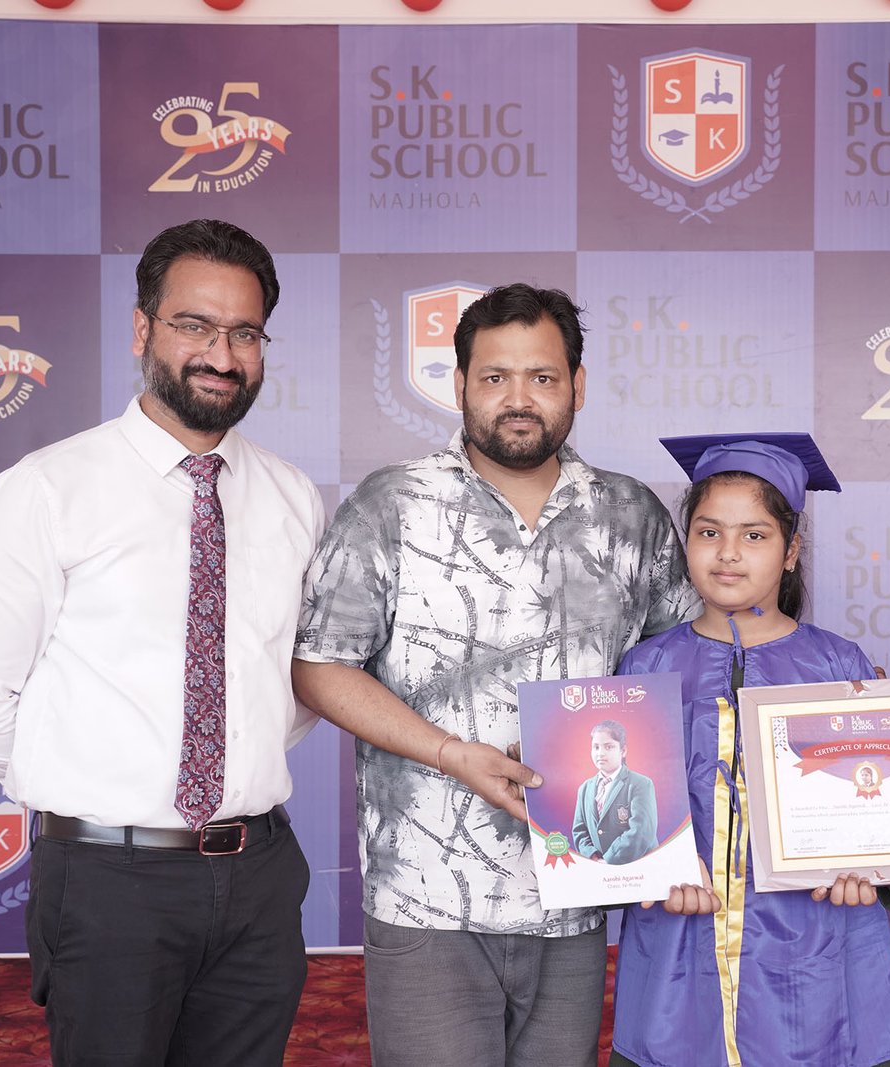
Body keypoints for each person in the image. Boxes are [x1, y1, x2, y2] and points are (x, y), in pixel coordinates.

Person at [0, 219, 324, 1065]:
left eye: (245, 333)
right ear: (143, 329)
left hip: (259, 877)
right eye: (194, 325)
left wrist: (229, 763)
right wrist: (93, 783)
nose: (221, 354)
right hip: (110, 883)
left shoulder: (292, 496)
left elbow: (288, 691)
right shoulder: (48, 489)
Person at [290, 283, 699, 1066]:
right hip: (427, 894)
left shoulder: (631, 515)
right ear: (460, 385)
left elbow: (681, 665)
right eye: (495, 377)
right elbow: (318, 667)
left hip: (580, 894)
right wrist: (450, 752)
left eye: (542, 377)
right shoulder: (392, 504)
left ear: (578, 384)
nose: (518, 398)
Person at [609, 432, 890, 1067]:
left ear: (791, 551)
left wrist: (869, 870)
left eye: (754, 535)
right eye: (708, 532)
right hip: (679, 940)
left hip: (817, 942)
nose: (728, 553)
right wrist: (651, 867)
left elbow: (876, 808)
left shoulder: (836, 665)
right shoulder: (646, 666)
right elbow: (621, 808)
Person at [572, 719, 658, 864]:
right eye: (596, 747)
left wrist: (608, 860)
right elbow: (579, 831)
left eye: (609, 747)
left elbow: (641, 832)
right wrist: (592, 856)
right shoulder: (584, 788)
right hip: (598, 867)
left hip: (639, 866)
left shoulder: (641, 784)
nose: (600, 753)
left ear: (623, 751)